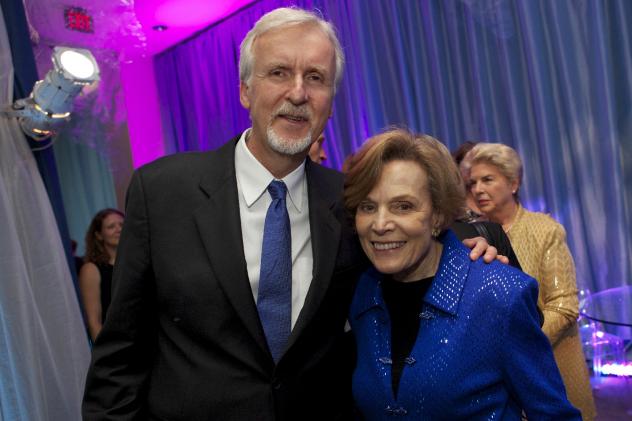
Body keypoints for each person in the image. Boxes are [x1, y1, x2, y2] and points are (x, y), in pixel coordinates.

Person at [82, 8, 496, 420]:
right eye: (278, 73)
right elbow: (121, 355)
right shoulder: (162, 192)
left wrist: (470, 257)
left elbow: (412, 248)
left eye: (315, 78)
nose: (298, 94)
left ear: (330, 103)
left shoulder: (352, 202)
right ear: (246, 90)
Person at [344, 129, 581, 420]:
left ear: (439, 215)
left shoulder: (499, 294)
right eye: (368, 207)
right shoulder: (364, 292)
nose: (380, 224)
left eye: (403, 206)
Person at [462, 142, 596, 420]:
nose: (477, 189)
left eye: (488, 179)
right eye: (472, 182)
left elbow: (564, 305)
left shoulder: (544, 230)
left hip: (550, 367)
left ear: (513, 183)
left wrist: (516, 344)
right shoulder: (470, 237)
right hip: (493, 378)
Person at [78, 208, 124, 342]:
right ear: (99, 235)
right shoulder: (91, 269)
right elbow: (94, 321)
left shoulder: (137, 263)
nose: (119, 229)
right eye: (111, 227)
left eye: (122, 225)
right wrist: (106, 357)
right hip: (119, 344)